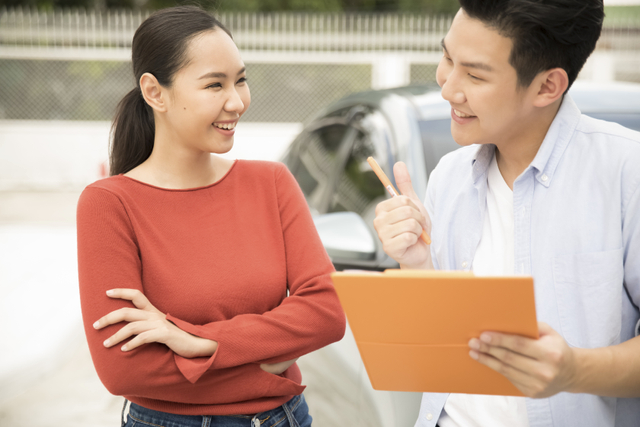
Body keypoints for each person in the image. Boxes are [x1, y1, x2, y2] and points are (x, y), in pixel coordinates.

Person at [372, 1, 640, 426]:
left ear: (547, 86)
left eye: (475, 75)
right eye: (447, 58)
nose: (447, 87)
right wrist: (416, 264)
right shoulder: (450, 176)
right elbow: (446, 344)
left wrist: (574, 370)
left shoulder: (628, 174)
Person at [76, 6, 346, 427]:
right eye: (214, 85)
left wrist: (196, 341)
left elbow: (327, 312)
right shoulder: (109, 204)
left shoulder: (271, 182)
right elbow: (123, 370)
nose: (236, 101)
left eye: (240, 80)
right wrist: (265, 365)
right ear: (155, 92)